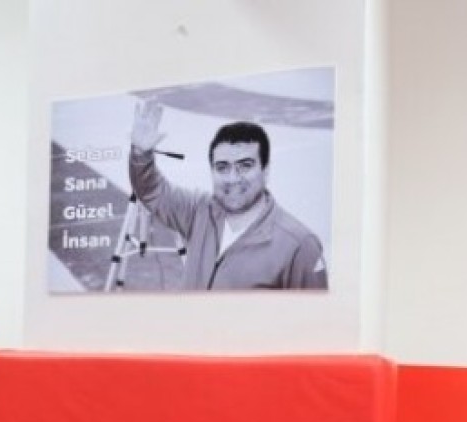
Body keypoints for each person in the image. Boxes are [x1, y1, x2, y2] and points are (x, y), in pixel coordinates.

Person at [128, 101, 328, 290]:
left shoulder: (300, 245)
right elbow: (152, 191)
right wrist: (141, 154)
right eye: (222, 167)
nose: (233, 178)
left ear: (265, 171)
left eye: (245, 166)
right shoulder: (198, 211)